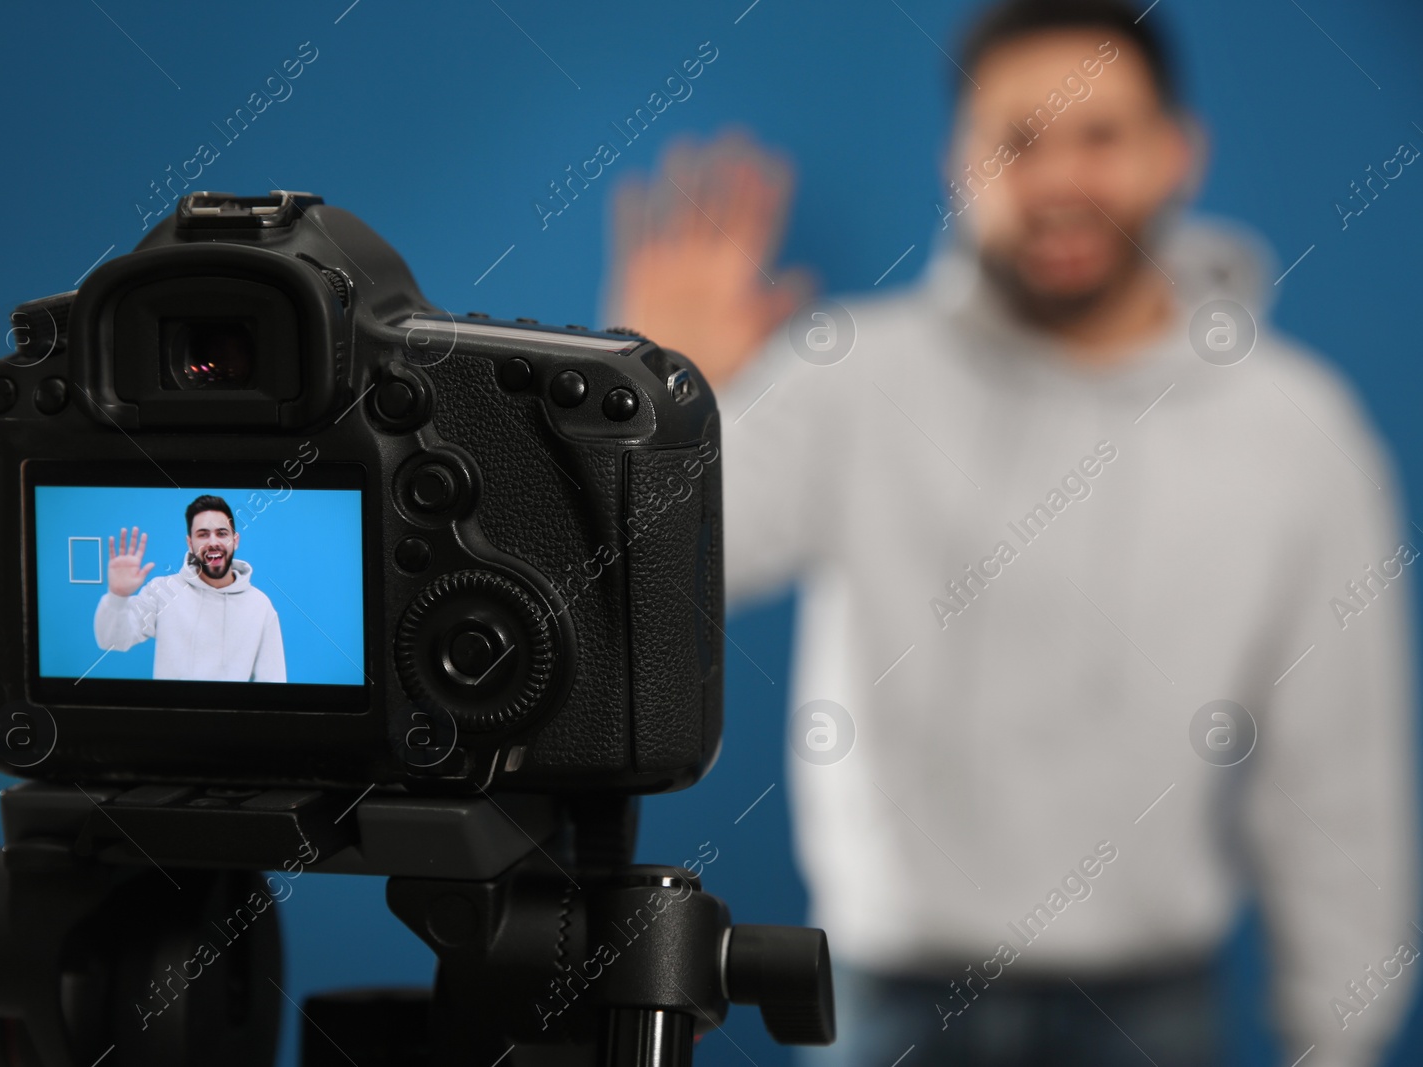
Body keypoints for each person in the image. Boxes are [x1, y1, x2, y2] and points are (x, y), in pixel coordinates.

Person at [603, 1, 1417, 1064]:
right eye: (1019, 140)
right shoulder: (851, 376)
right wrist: (656, 399)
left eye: (1100, 137)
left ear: (1178, 151)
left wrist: (1342, 1033)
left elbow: (1338, 765)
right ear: (960, 164)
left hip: (1151, 1016)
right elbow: (646, 582)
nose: (1061, 181)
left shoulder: (1296, 429)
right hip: (882, 1004)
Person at [93, 494, 286, 683]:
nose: (213, 542)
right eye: (203, 534)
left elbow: (272, 682)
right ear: (190, 543)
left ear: (235, 540)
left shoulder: (260, 606)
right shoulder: (162, 591)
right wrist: (117, 597)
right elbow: (112, 640)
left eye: (221, 533)